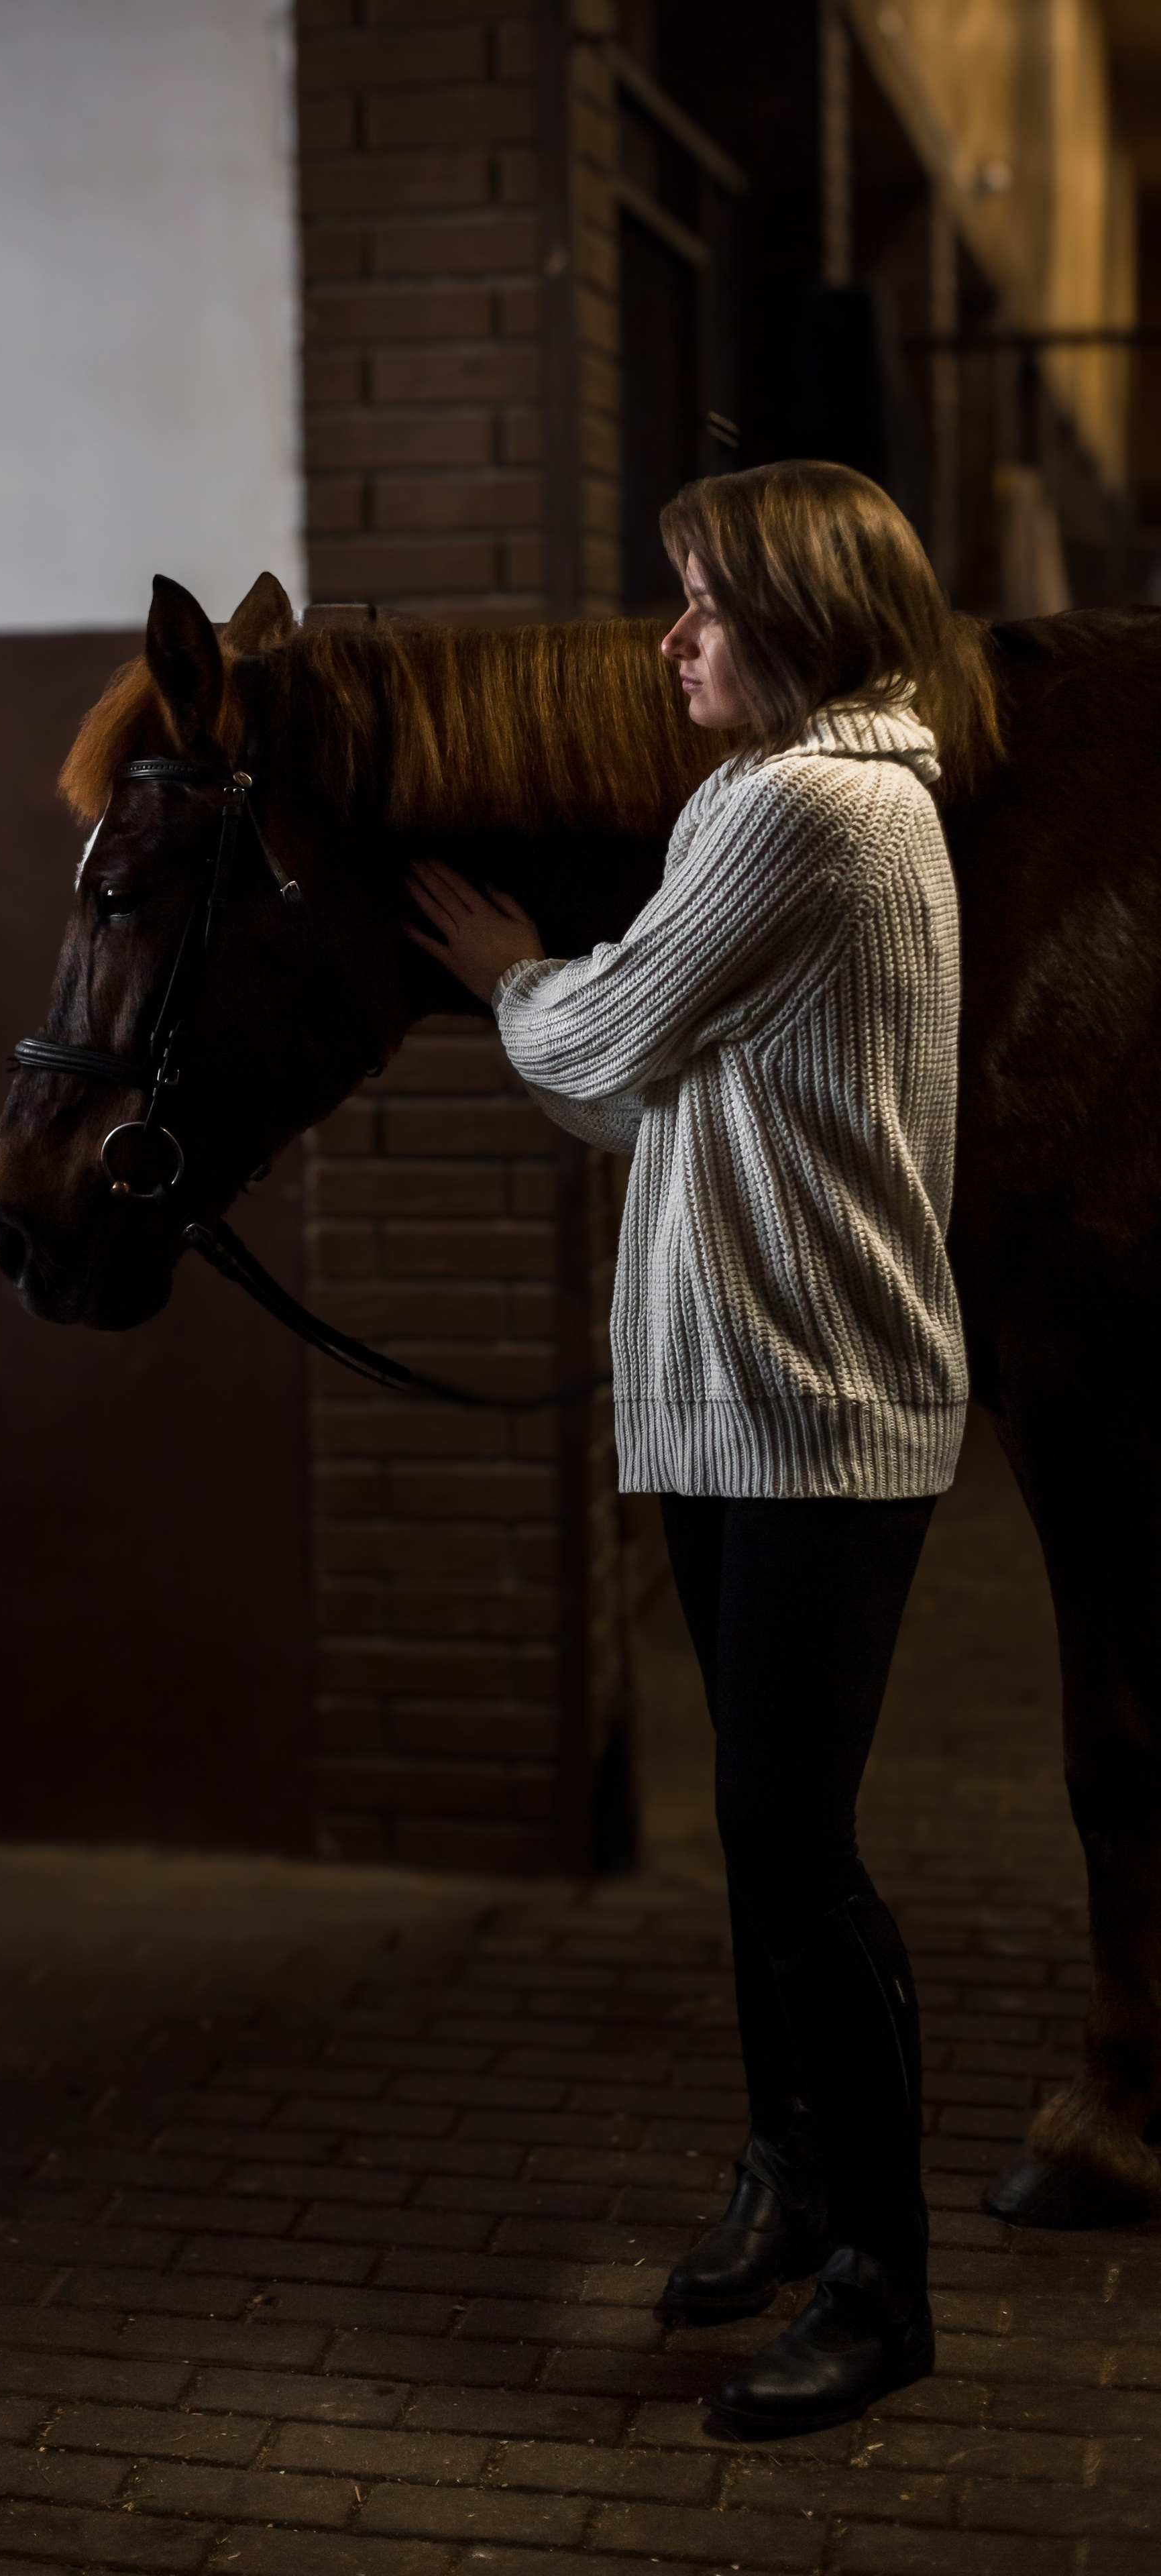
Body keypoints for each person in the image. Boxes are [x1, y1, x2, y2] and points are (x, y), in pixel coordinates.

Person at [406, 459, 981, 2440]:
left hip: (814, 1413)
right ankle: (797, 2175)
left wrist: (504, 981)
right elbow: (631, 1093)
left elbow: (585, 1051)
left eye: (707, 607)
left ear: (804, 625)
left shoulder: (805, 806)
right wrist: (566, 1023)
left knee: (797, 1854)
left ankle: (883, 2283)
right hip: (758, 1406)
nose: (673, 640)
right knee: (765, 1842)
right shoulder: (802, 803)